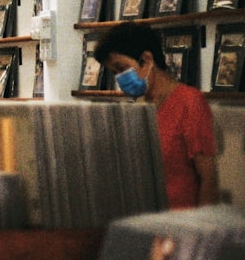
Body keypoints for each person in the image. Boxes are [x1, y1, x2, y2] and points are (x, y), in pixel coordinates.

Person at [94, 21, 219, 209]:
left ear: (146, 59)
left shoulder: (189, 102)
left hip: (181, 226)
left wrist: (201, 232)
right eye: (115, 73)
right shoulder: (138, 108)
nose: (120, 79)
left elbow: (209, 179)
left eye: (121, 69)